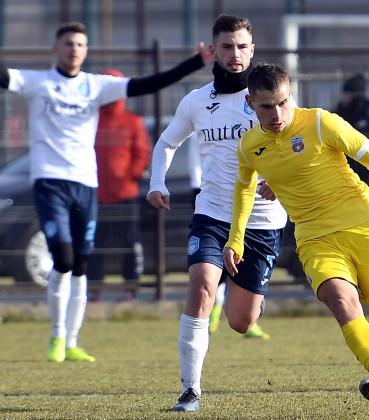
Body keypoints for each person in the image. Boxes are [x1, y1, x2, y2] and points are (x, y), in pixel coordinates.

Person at [0, 21, 213, 363]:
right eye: (68, 43)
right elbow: (3, 77)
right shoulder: (39, 82)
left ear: (86, 51)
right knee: (64, 258)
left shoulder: (95, 86)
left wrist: (195, 63)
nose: (74, 49)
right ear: (56, 49)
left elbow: (147, 85)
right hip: (50, 182)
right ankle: (55, 338)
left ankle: (71, 342)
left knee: (82, 261)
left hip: (86, 184)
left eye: (80, 45)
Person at [223, 63, 369, 416]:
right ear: (251, 103)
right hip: (314, 237)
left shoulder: (319, 122)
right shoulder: (250, 146)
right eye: (267, 106)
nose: (277, 113)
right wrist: (235, 239)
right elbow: (244, 188)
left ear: (290, 94)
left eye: (283, 102)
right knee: (343, 303)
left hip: (362, 224)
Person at [146, 15, 287, 412]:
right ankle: (190, 390)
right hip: (212, 213)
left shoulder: (274, 98)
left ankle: (254, 302)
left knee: (242, 322)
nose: (235, 54)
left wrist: (281, 182)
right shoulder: (195, 101)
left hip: (261, 220)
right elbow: (166, 143)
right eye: (227, 46)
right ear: (214, 50)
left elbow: (299, 147)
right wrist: (158, 183)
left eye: (242, 46)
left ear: (253, 49)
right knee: (202, 286)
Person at [187, 138, 270, 338]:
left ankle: (248, 309)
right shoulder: (203, 111)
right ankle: (215, 304)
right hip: (213, 203)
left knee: (244, 263)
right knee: (210, 265)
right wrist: (196, 187)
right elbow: (194, 153)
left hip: (253, 205)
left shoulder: (262, 120)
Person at [88, 69, 152, 302]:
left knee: (129, 243)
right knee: (95, 244)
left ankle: (130, 288)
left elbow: (142, 153)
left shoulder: (132, 122)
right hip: (97, 195)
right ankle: (94, 289)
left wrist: (130, 175)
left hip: (125, 194)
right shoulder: (91, 119)